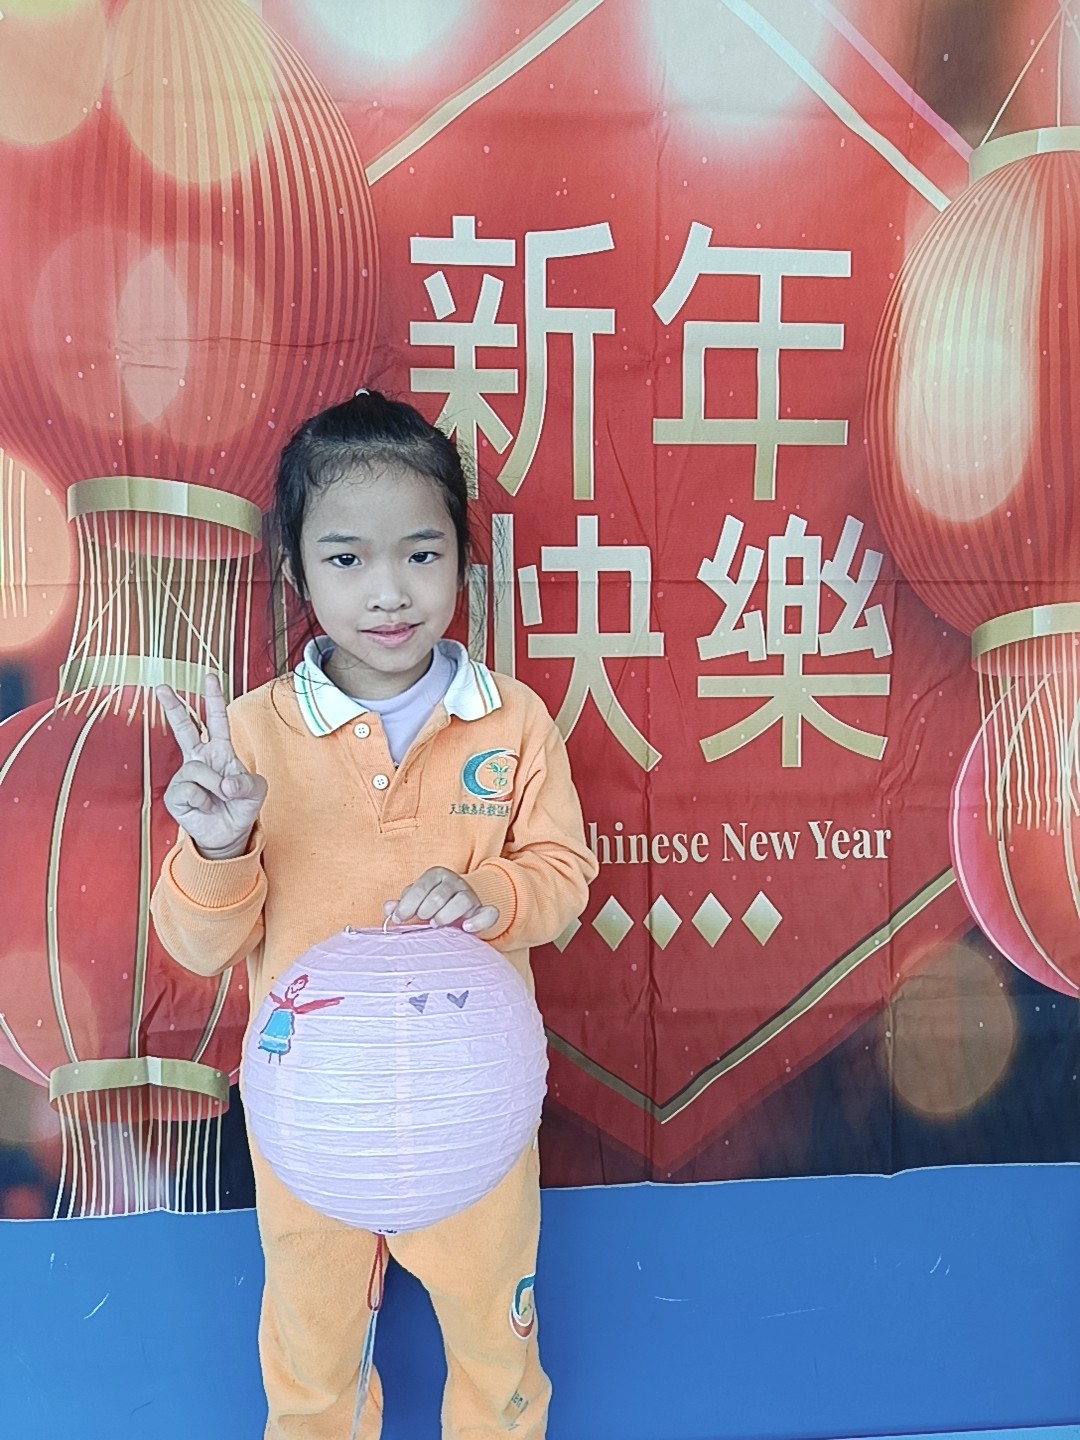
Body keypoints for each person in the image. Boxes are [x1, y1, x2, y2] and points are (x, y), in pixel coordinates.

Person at [150, 390, 597, 1440]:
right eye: (347, 559)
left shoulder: (512, 719)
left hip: (473, 1112)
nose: (389, 592)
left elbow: (564, 878)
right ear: (297, 570)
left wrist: (489, 896)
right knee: (311, 1361)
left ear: (463, 562)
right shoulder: (248, 738)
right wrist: (218, 847)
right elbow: (197, 945)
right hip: (310, 1121)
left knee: (496, 1345)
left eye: (422, 554)